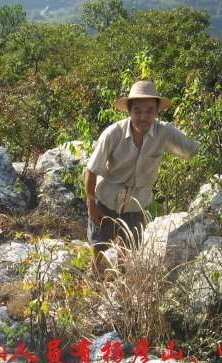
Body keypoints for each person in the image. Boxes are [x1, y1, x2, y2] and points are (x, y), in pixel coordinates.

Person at [85, 80, 201, 266]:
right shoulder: (113, 134)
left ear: (157, 111)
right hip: (107, 201)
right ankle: (95, 279)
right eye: (138, 111)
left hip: (137, 204)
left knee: (128, 251)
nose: (143, 117)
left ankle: (119, 280)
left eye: (149, 111)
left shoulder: (164, 132)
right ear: (129, 110)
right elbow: (91, 169)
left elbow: (195, 150)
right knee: (99, 246)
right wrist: (91, 203)